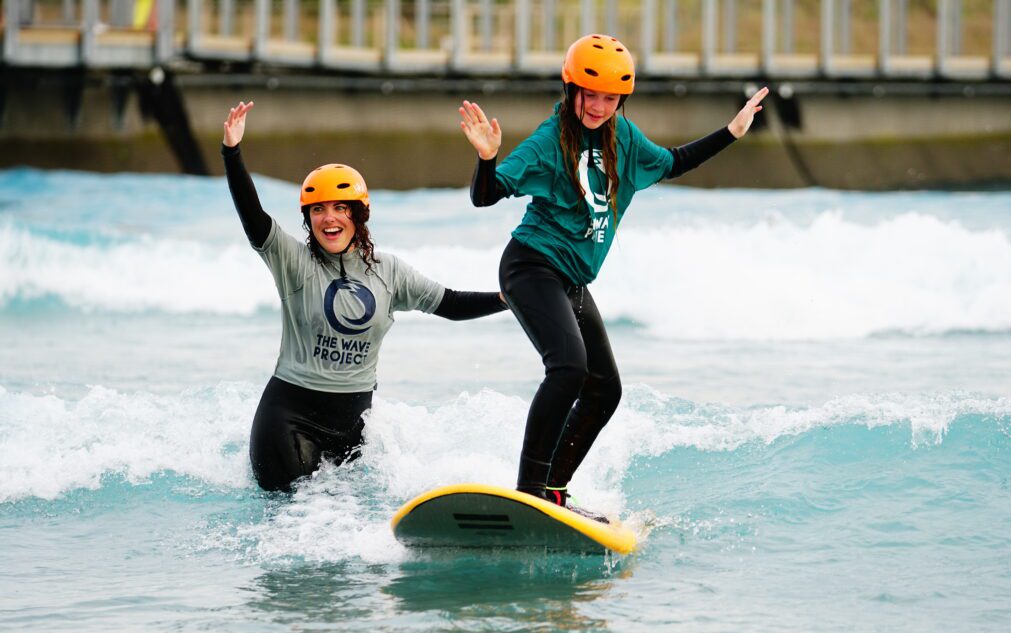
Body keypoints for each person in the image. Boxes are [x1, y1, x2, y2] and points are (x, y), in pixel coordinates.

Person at [459, 34, 767, 518]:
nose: (599, 106)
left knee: (605, 390)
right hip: (530, 266)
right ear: (571, 89)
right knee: (568, 369)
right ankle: (530, 491)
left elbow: (672, 162)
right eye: (590, 94)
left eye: (610, 97)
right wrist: (486, 158)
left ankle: (553, 491)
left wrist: (731, 131)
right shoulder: (547, 141)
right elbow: (486, 195)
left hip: (570, 280)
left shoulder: (623, 136)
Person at [222, 101, 508, 491]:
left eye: (341, 207)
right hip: (288, 420)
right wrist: (232, 152)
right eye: (318, 210)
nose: (329, 218)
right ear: (308, 219)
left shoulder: (389, 272)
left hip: (352, 430)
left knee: (342, 526)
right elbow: (252, 215)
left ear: (360, 214)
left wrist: (508, 298)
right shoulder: (293, 262)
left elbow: (451, 304)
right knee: (298, 522)